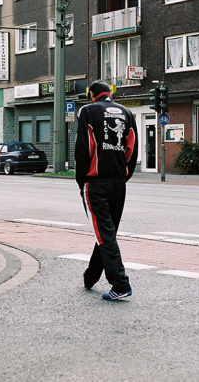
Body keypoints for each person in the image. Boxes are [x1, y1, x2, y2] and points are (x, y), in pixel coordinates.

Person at [75, 81, 138, 301]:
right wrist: (123, 176)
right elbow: (131, 149)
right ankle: (91, 276)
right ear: (109, 94)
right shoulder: (127, 113)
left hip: (96, 182)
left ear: (92, 94)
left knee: (104, 232)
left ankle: (120, 283)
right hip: (119, 184)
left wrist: (81, 179)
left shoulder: (88, 111)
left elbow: (84, 148)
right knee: (107, 232)